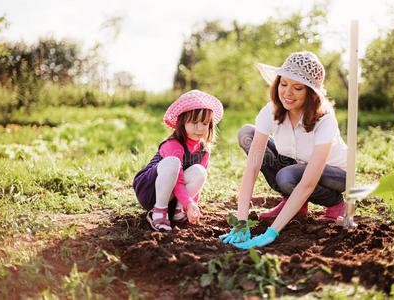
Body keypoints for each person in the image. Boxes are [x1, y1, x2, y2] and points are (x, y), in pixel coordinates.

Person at [220, 51, 347, 248]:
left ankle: (337, 204)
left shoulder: (324, 120)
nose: (287, 93)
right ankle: (296, 205)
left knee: (287, 177)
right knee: (247, 133)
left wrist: (271, 233)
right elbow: (252, 168)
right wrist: (241, 222)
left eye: (297, 88)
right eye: (283, 84)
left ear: (311, 93)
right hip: (298, 165)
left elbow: (307, 182)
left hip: (336, 174)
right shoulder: (271, 110)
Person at [133, 90, 223, 231]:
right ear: (182, 123)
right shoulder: (174, 144)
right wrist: (188, 202)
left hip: (173, 196)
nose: (200, 128)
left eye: (205, 124)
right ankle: (157, 213)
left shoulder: (204, 150)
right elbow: (178, 180)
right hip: (150, 190)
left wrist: (192, 204)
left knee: (200, 172)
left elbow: (197, 183)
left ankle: (177, 212)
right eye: (194, 123)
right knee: (173, 163)